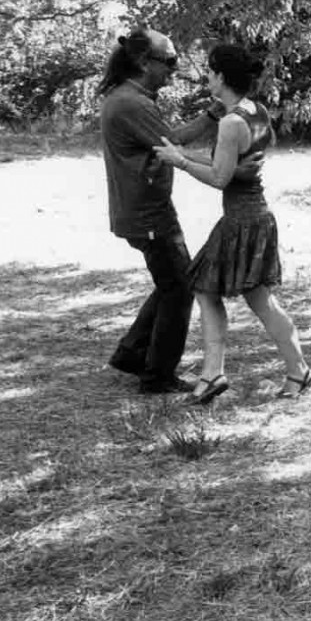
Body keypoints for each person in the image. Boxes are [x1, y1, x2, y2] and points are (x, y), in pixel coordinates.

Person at [153, 44, 311, 403]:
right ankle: (289, 371)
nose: (206, 77)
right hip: (257, 216)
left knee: (215, 290)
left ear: (222, 76)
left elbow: (219, 178)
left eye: (210, 72)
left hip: (242, 220)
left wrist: (178, 162)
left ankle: (221, 374)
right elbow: (230, 162)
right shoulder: (255, 111)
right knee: (246, 298)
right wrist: (182, 152)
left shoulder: (230, 123)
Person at [96, 29, 222, 394]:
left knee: (172, 283)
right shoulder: (132, 104)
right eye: (168, 61)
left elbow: (166, 142)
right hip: (147, 215)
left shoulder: (130, 98)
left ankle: (132, 354)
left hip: (141, 210)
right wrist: (215, 113)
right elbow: (174, 143)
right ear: (142, 62)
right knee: (180, 288)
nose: (174, 68)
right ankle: (157, 376)